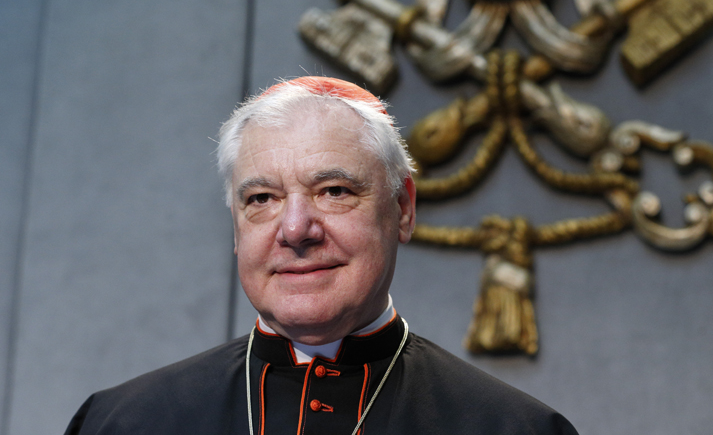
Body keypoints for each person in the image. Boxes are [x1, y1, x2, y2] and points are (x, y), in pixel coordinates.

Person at [64, 76, 578, 435]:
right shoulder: (122, 422)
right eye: (261, 199)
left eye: (333, 190)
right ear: (236, 227)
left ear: (402, 209)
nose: (295, 230)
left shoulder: (514, 429)